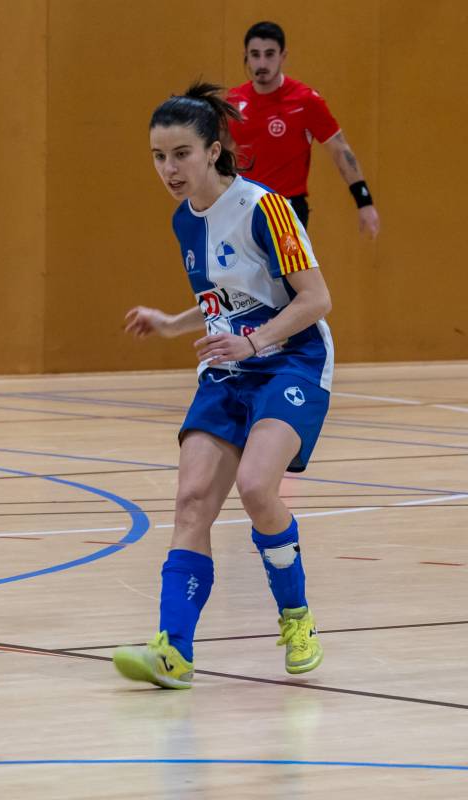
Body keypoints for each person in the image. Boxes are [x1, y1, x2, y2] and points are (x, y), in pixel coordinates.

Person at [113, 82, 333, 687]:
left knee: (258, 486)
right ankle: (174, 650)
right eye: (159, 156)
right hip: (227, 368)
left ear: (214, 150)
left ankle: (297, 618)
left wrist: (255, 342)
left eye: (181, 154)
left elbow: (316, 299)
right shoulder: (184, 220)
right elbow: (227, 298)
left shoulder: (266, 208)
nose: (169, 169)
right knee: (190, 503)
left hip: (291, 361)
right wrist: (172, 322)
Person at [227, 20, 379, 238]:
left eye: (270, 54)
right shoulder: (233, 102)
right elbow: (217, 154)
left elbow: (340, 150)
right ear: (246, 56)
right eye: (255, 54)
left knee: (286, 262)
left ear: (283, 56)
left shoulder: (305, 101)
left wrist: (364, 201)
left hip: (286, 210)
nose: (262, 63)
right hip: (243, 209)